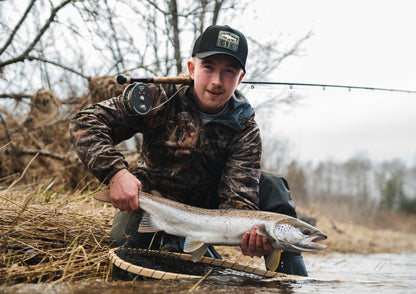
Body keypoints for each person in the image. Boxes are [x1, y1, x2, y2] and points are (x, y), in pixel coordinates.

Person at [70, 24, 307, 276]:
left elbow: (239, 203)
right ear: (192, 68)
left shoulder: (244, 127)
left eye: (228, 71)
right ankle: (176, 243)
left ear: (240, 78)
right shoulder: (160, 96)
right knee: (125, 256)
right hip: (152, 201)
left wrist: (250, 240)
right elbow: (86, 122)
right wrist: (116, 174)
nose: (217, 81)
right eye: (208, 68)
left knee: (272, 186)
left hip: (209, 210)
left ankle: (292, 281)